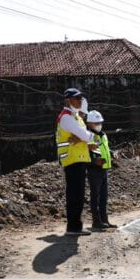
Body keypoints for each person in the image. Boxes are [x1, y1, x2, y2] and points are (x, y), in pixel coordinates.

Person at [56, 88, 97, 236]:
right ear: (68, 100)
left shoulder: (75, 117)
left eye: (80, 98)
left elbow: (88, 137)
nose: (80, 101)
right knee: (74, 195)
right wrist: (86, 137)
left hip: (78, 159)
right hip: (72, 159)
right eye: (77, 98)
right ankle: (73, 227)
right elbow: (87, 135)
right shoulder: (67, 117)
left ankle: (76, 226)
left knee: (78, 195)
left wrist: (85, 137)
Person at [86, 110, 116, 230]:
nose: (99, 125)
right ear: (89, 123)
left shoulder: (102, 135)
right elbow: (85, 153)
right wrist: (94, 161)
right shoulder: (88, 136)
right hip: (94, 169)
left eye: (100, 122)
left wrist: (112, 154)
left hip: (104, 169)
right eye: (96, 123)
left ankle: (104, 219)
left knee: (103, 196)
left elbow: (105, 150)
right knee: (96, 196)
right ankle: (96, 221)